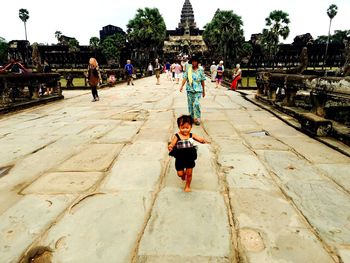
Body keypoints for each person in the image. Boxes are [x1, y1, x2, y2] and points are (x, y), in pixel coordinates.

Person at [168, 115, 207, 192]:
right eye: (182, 128)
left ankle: (187, 186)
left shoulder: (191, 135)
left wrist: (202, 140)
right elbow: (172, 143)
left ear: (191, 127)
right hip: (180, 158)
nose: (185, 130)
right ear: (179, 127)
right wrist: (171, 146)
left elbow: (199, 139)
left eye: (187, 128)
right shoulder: (177, 136)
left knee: (189, 173)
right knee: (180, 174)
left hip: (190, 157)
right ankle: (183, 174)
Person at [180, 54, 206, 126]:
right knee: (190, 105)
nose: (194, 63)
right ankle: (191, 118)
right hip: (190, 90)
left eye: (195, 61)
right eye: (193, 62)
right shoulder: (189, 69)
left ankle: (197, 118)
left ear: (197, 62)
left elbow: (202, 80)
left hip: (198, 90)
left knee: (196, 104)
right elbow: (185, 78)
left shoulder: (201, 69)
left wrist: (204, 91)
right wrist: (181, 86)